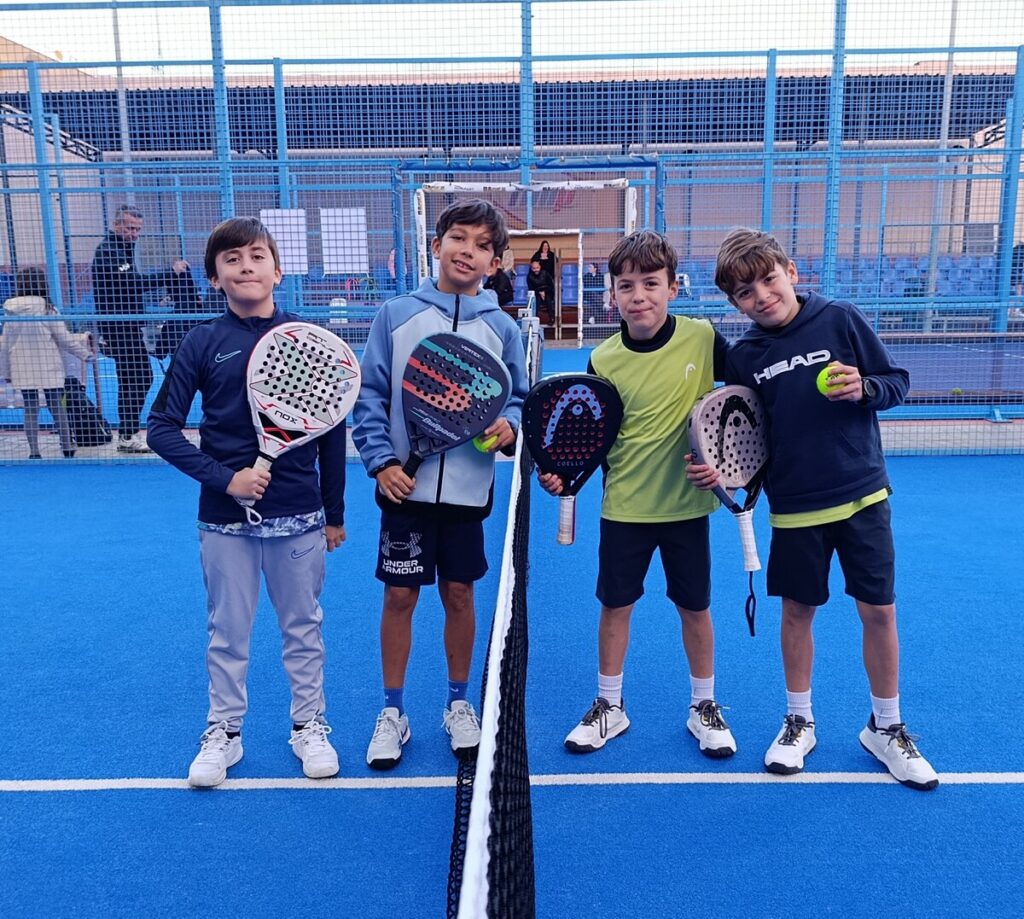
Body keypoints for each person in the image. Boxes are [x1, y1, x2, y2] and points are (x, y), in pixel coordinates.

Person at [693, 227, 937, 790]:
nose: (761, 295)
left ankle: (887, 726)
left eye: (768, 279)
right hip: (795, 509)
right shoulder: (746, 355)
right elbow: (738, 431)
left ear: (791, 272)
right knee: (798, 613)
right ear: (735, 304)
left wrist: (865, 390)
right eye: (745, 292)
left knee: (878, 612)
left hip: (863, 496)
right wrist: (719, 469)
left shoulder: (840, 318)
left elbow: (896, 381)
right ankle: (799, 719)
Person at [147, 216, 347, 788]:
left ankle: (309, 725)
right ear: (215, 278)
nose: (246, 266)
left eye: (257, 256)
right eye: (231, 260)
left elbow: (330, 432)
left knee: (303, 628)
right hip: (223, 520)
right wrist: (224, 479)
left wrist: (334, 514)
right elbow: (160, 427)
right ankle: (224, 734)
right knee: (228, 632)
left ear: (277, 270)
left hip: (298, 516)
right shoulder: (202, 342)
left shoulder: (308, 342)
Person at [538, 229, 737, 760]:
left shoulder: (702, 338)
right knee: (615, 606)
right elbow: (590, 438)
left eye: (651, 283)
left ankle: (704, 706)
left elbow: (745, 402)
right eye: (626, 286)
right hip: (623, 508)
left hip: (688, 509)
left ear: (673, 287)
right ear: (613, 294)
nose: (639, 296)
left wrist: (726, 468)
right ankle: (609, 706)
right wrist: (561, 473)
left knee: (695, 608)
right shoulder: (603, 359)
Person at [352, 198, 529, 770]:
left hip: (468, 495)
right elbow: (371, 395)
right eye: (458, 238)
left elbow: (519, 399)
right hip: (402, 487)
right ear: (435, 245)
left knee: (459, 594)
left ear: (495, 263)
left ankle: (458, 704)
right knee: (400, 595)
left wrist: (510, 428)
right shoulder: (396, 314)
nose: (467, 251)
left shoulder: (501, 327)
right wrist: (381, 463)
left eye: (482, 245)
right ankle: (393, 712)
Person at [91, 204, 190, 453]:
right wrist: (169, 274)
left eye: (137, 229)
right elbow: (130, 284)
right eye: (129, 228)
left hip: (129, 323)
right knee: (136, 377)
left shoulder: (124, 249)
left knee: (136, 377)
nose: (134, 233)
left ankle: (128, 433)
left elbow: (130, 286)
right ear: (116, 225)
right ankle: (127, 434)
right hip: (118, 326)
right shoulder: (108, 251)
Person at [0, 267, 93, 459]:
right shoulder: (47, 308)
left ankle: (34, 451)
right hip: (48, 365)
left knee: (30, 408)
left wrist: (6, 371)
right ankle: (67, 447)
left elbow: (6, 342)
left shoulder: (9, 310)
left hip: (21, 365)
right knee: (56, 406)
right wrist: (85, 354)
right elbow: (63, 338)